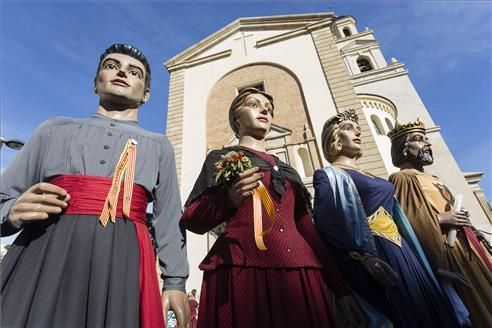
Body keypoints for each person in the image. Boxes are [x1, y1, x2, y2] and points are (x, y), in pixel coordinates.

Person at [0, 44, 189, 327]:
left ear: (146, 94)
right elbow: (4, 195)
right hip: (45, 250)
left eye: (134, 72)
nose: (122, 72)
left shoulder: (160, 145)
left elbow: (170, 217)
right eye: (112, 66)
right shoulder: (54, 128)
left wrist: (175, 281)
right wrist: (12, 210)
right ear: (94, 83)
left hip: (122, 259)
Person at [181, 88, 362, 327]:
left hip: (301, 273)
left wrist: (340, 289)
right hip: (242, 271)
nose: (264, 109)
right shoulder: (220, 158)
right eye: (253, 104)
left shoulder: (288, 171)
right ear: (236, 118)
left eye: (268, 108)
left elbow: (307, 229)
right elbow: (192, 219)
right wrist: (228, 200)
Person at [313, 110, 461, 328]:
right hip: (377, 253)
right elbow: (328, 225)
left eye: (357, 129)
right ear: (334, 138)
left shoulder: (371, 175)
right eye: (347, 128)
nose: (357, 132)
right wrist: (364, 258)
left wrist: (431, 265)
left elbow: (402, 224)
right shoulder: (328, 175)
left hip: (405, 251)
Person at [388, 118, 492, 326]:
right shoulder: (403, 178)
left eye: (427, 139)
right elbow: (408, 221)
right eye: (418, 139)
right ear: (403, 148)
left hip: (468, 244)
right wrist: (440, 219)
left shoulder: (433, 178)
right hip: (449, 252)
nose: (427, 143)